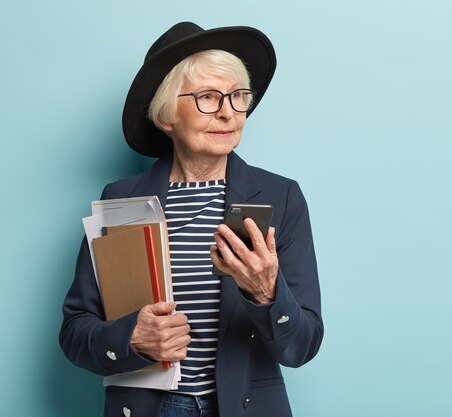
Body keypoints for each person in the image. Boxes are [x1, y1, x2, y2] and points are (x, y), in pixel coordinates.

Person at [59, 22, 323, 417]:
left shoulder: (280, 197)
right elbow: (75, 332)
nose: (227, 113)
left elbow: (301, 346)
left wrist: (268, 293)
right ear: (166, 116)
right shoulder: (121, 199)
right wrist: (132, 337)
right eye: (208, 98)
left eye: (237, 97)